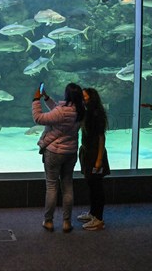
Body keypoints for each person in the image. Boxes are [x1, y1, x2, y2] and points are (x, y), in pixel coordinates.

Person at [32, 82, 85, 233]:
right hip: (70, 153)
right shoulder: (81, 111)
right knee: (67, 186)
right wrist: (47, 98)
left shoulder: (62, 111)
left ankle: (48, 221)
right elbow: (58, 111)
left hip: (55, 153)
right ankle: (67, 222)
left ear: (67, 95)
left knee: (52, 186)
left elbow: (39, 118)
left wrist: (36, 100)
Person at [77, 88, 110, 231]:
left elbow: (101, 137)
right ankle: (93, 213)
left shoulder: (96, 114)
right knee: (91, 185)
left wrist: (99, 159)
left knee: (97, 187)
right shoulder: (88, 112)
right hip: (87, 152)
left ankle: (99, 219)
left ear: (91, 98)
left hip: (95, 154)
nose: (82, 98)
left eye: (84, 96)